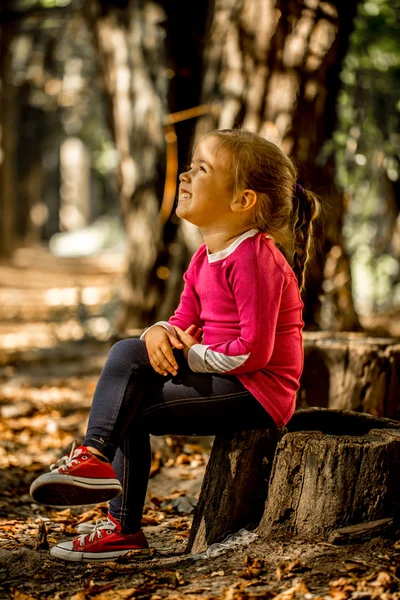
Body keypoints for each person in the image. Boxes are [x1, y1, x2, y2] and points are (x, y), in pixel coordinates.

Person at [30, 128, 324, 563]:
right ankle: (107, 495)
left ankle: (107, 491)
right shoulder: (204, 258)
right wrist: (157, 332)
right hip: (227, 376)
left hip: (258, 390)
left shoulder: (255, 257)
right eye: (190, 165)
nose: (185, 176)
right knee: (129, 359)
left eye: (201, 169)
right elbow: (181, 320)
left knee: (127, 392)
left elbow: (253, 352)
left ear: (243, 200)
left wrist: (185, 354)